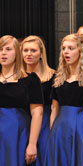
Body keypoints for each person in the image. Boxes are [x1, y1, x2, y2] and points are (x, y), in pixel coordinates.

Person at [44, 33, 83, 166]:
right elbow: (54, 111)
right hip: (59, 131)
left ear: (81, 51)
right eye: (63, 48)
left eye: (70, 48)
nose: (66, 52)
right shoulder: (58, 79)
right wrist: (52, 137)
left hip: (81, 130)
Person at [0, 35, 43, 165]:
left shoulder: (30, 79)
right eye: (0, 49)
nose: (3, 53)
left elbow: (37, 113)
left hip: (17, 133)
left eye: (8, 49)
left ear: (17, 53)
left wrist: (32, 144)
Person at [20, 35, 55, 166]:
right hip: (22, 124)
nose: (29, 54)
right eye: (25, 50)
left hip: (45, 124)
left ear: (41, 53)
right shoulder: (17, 77)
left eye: (33, 50)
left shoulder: (53, 76)